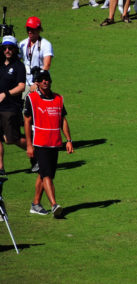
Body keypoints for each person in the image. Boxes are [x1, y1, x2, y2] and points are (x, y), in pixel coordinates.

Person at [24, 70, 73, 217]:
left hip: (55, 143)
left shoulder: (58, 98)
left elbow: (62, 120)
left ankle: (36, 204)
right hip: (40, 143)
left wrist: (68, 140)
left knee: (45, 174)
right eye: (42, 79)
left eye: (47, 79)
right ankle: (54, 205)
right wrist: (29, 145)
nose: (45, 82)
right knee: (47, 176)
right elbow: (27, 121)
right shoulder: (31, 98)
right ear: (37, 83)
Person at [0, 36, 27, 179]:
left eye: (10, 48)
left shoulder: (18, 66)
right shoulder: (0, 64)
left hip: (10, 107)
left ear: (15, 49)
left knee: (12, 139)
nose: (7, 51)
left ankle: (33, 151)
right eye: (5, 48)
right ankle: (0, 168)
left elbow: (21, 86)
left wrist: (6, 94)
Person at [19, 17, 54, 99]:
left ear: (39, 30)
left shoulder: (46, 44)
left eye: (32, 29)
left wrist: (37, 83)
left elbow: (47, 65)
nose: (29, 31)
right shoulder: (22, 44)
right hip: (26, 82)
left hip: (41, 83)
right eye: (28, 29)